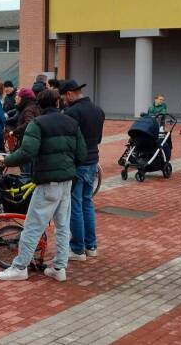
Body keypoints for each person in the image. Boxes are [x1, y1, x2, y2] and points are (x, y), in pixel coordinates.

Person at [0, 89, 86, 282]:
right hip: (66, 182)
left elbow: (26, 152)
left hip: (47, 182)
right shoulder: (71, 123)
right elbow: (82, 154)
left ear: (40, 105)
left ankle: (20, 267)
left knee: (32, 226)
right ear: (58, 103)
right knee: (62, 227)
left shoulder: (37, 124)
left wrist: (6, 161)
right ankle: (59, 268)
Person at [60, 79, 105, 260]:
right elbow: (99, 138)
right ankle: (91, 246)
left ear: (69, 94)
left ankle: (78, 248)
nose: (63, 101)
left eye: (64, 97)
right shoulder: (98, 110)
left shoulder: (72, 113)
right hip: (93, 161)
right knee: (87, 203)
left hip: (77, 163)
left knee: (75, 205)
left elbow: (68, 141)